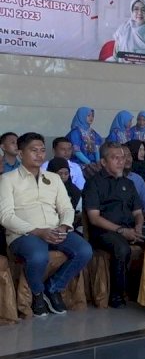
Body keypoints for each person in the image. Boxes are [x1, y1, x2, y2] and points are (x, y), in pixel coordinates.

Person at [0, 133, 92, 317]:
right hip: (24, 234)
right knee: (38, 256)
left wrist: (64, 227)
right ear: (20, 153)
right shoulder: (8, 179)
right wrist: (38, 231)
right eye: (33, 150)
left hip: (55, 229)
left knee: (84, 250)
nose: (39, 155)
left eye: (42, 150)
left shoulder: (54, 178)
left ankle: (54, 287)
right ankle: (37, 294)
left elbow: (66, 208)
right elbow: (5, 216)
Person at [83, 142, 145, 307]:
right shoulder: (94, 183)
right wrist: (121, 230)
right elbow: (94, 218)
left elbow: (137, 213)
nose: (121, 161)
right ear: (104, 162)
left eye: (123, 157)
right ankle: (117, 295)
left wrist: (139, 227)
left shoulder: (128, 183)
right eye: (115, 158)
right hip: (105, 231)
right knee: (122, 249)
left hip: (131, 228)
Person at [122, 144, 145, 222]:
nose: (128, 159)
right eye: (123, 156)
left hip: (138, 221)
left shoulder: (137, 178)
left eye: (129, 156)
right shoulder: (109, 181)